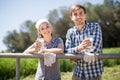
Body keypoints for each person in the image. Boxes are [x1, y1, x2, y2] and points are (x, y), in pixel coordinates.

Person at [65, 4, 103, 80]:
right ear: (71, 18)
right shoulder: (70, 32)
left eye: (81, 13)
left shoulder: (95, 27)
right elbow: (67, 50)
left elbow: (96, 47)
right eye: (75, 14)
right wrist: (79, 47)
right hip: (77, 74)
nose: (78, 16)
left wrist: (76, 55)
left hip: (94, 73)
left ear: (85, 15)